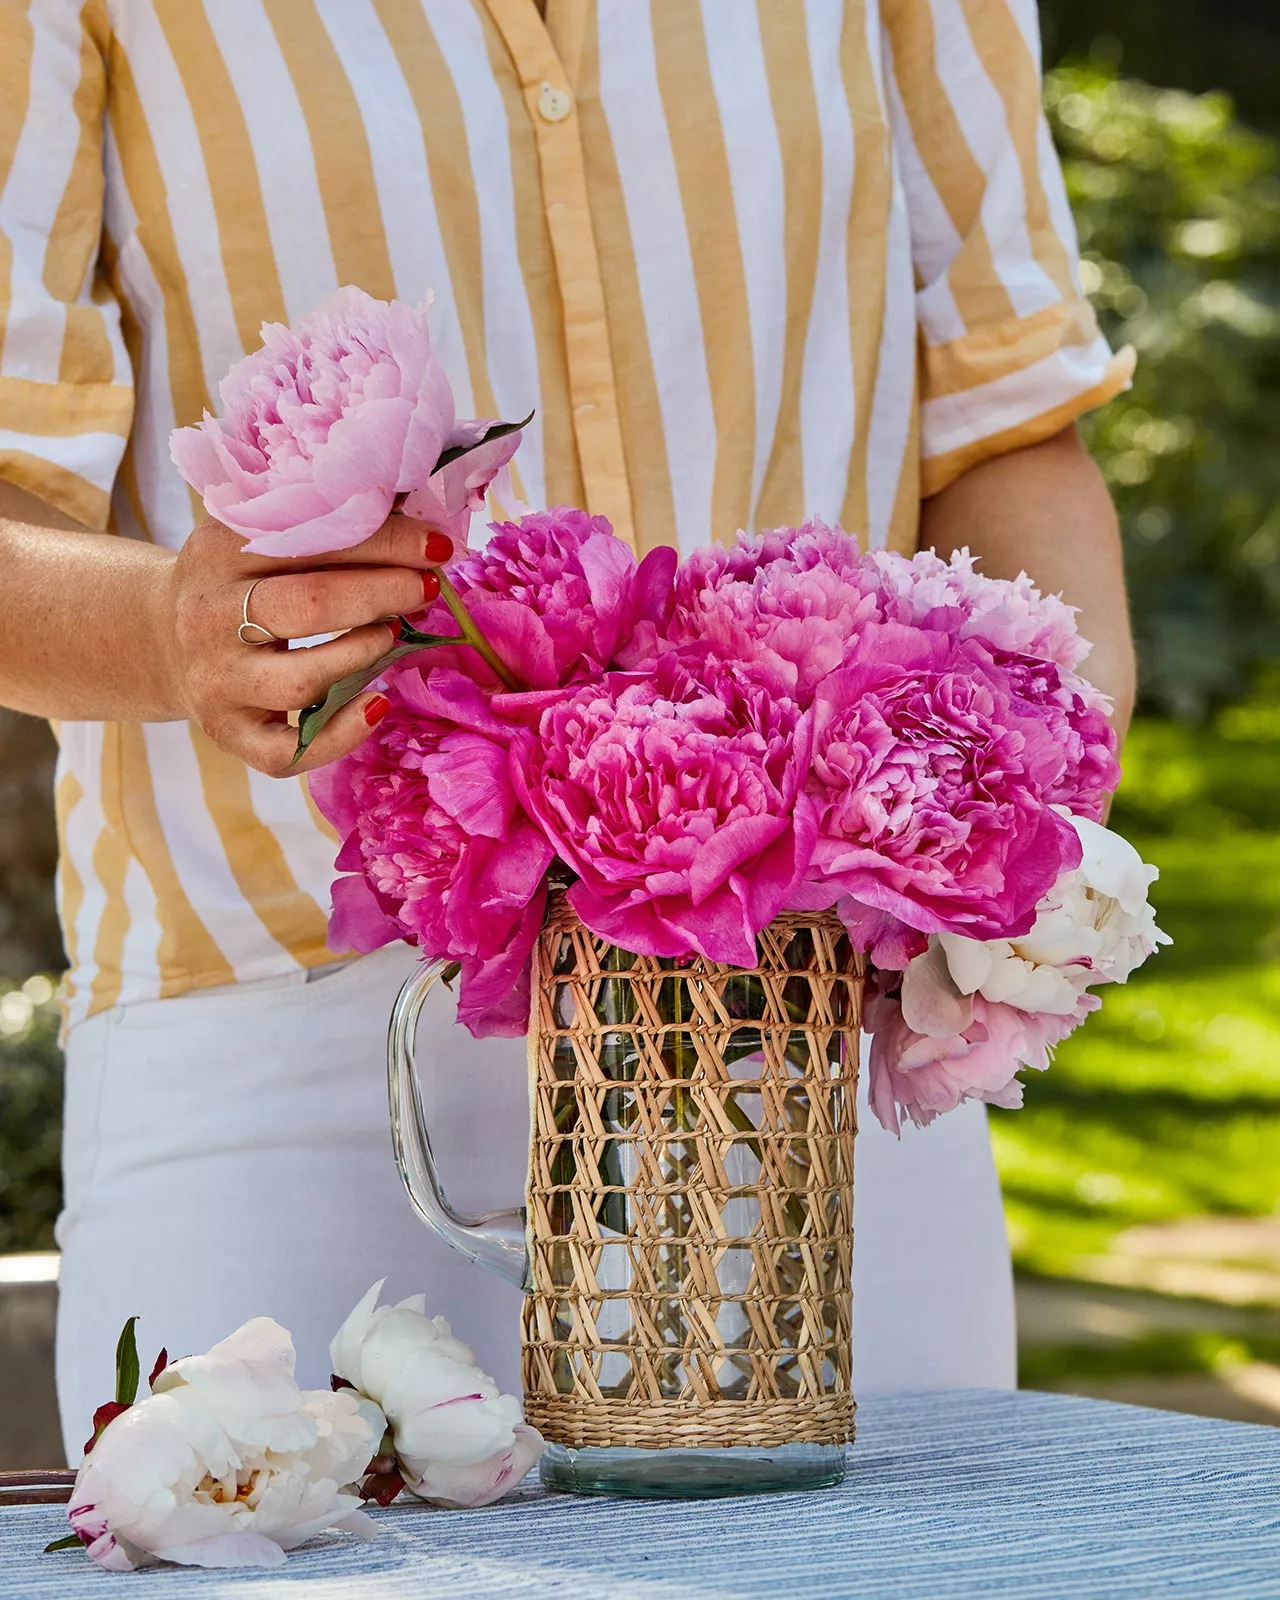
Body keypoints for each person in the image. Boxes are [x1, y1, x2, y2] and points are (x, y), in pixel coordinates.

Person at [0, 0, 1134, 1461]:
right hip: (277, 1034)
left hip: (804, 1037)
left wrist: (1027, 810)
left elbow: (1010, 423)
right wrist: (172, 629)